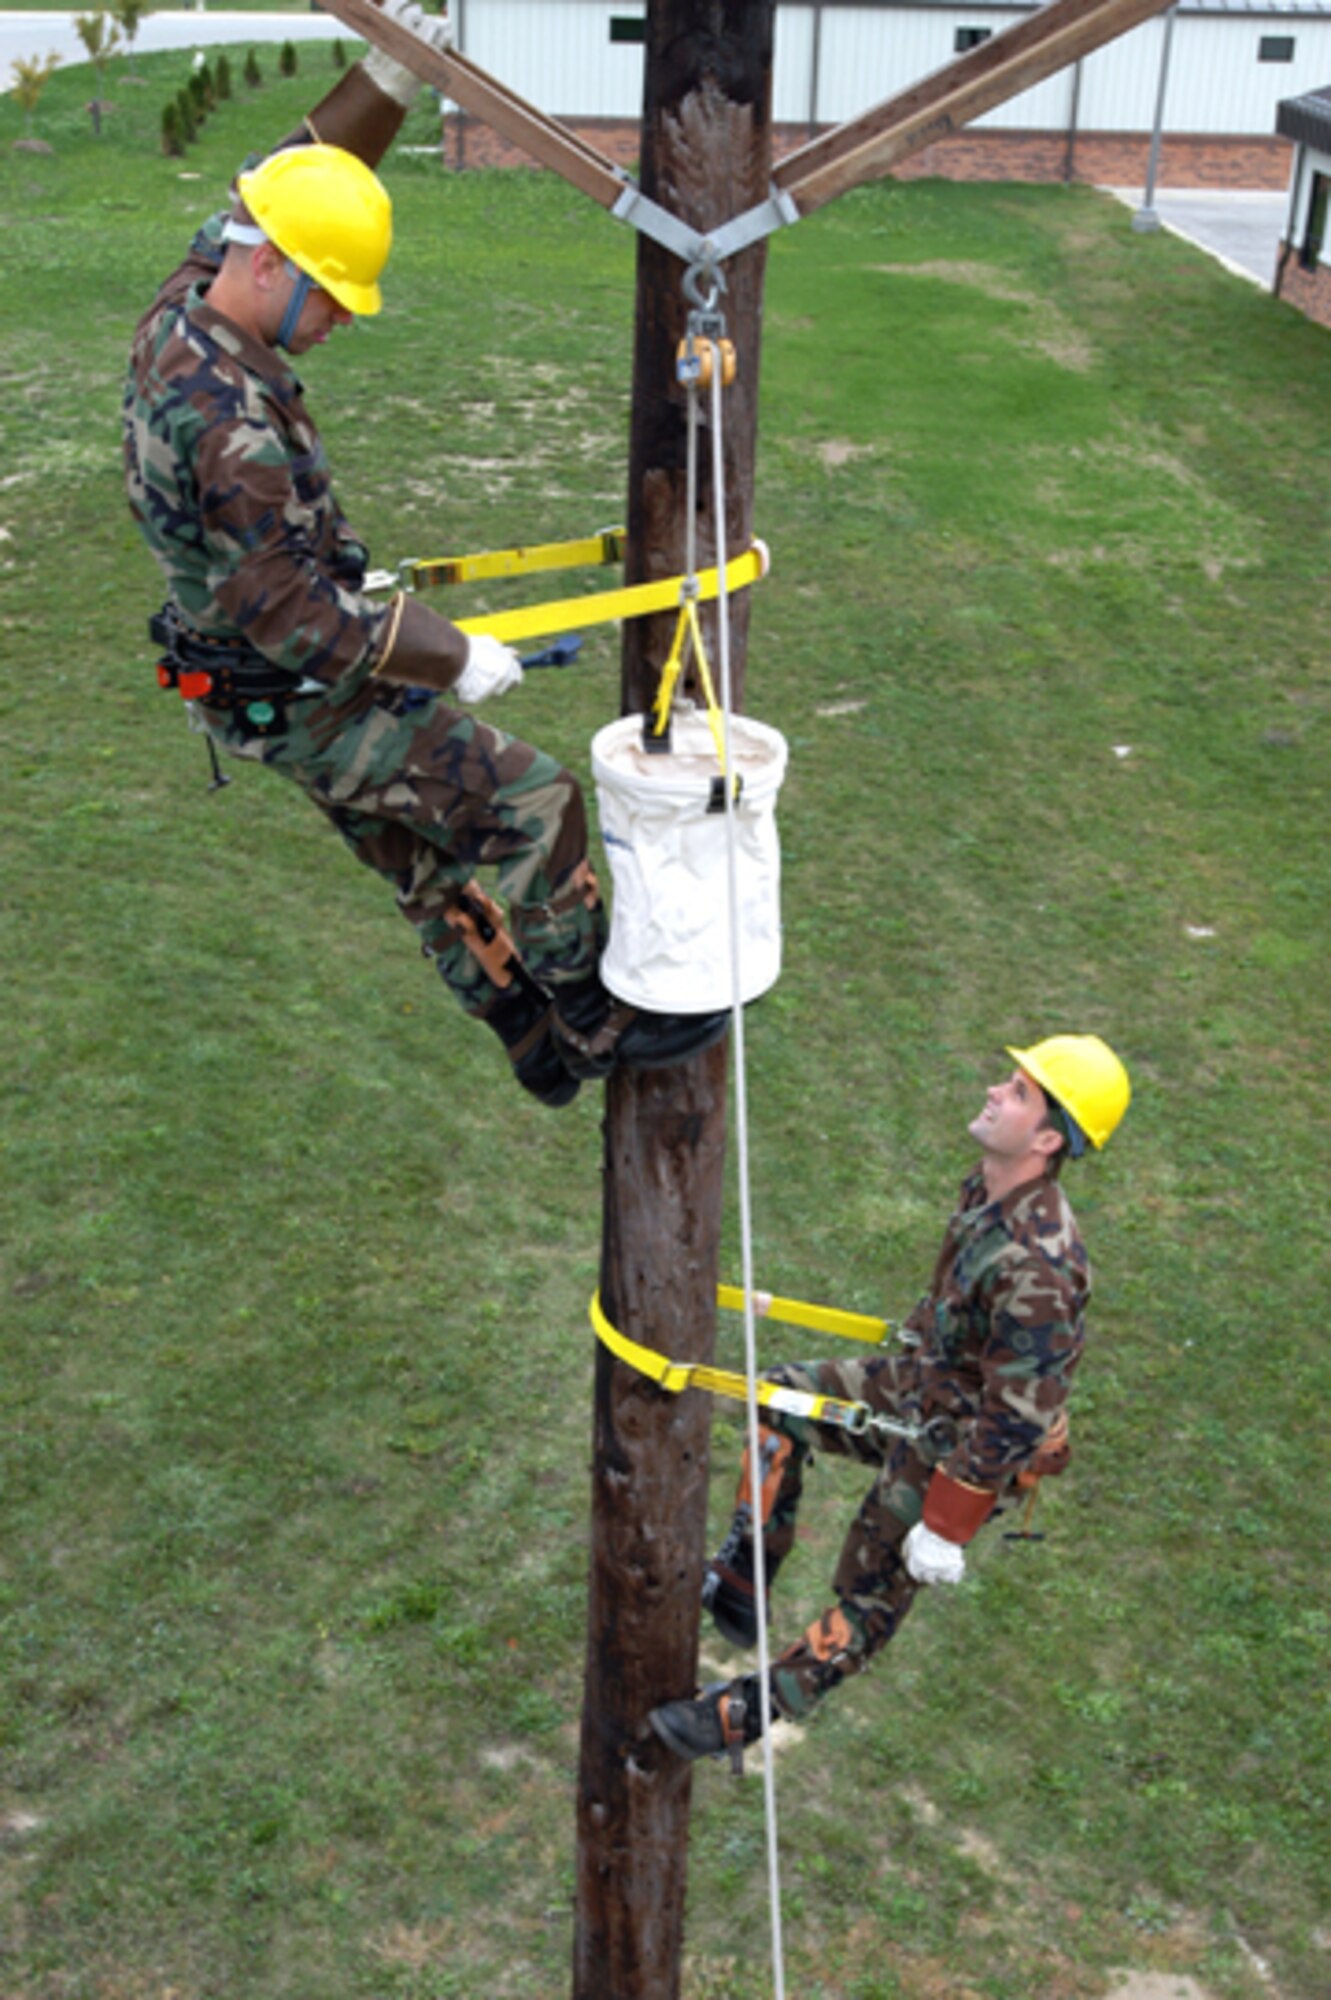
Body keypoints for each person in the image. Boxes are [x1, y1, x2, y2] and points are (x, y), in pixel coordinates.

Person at [122, 2, 728, 1108]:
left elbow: (290, 181)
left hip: (245, 694)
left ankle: (530, 1039)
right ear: (270, 274)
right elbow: (290, 613)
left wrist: (386, 79)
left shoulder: (191, 306)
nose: (341, 321)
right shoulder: (228, 425)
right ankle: (597, 1013)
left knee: (424, 865)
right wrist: (453, 659)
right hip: (304, 685)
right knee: (530, 802)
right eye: (332, 300)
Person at [649, 1033, 1131, 1767]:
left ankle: (744, 1713)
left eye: (1019, 1091)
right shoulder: (988, 1187)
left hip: (961, 1448)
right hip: (921, 1391)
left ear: (1045, 1137)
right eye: (1008, 1078)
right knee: (775, 1396)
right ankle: (749, 1565)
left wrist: (946, 1520)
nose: (996, 1091)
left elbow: (1019, 1413)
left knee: (868, 1592)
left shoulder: (1042, 1266)